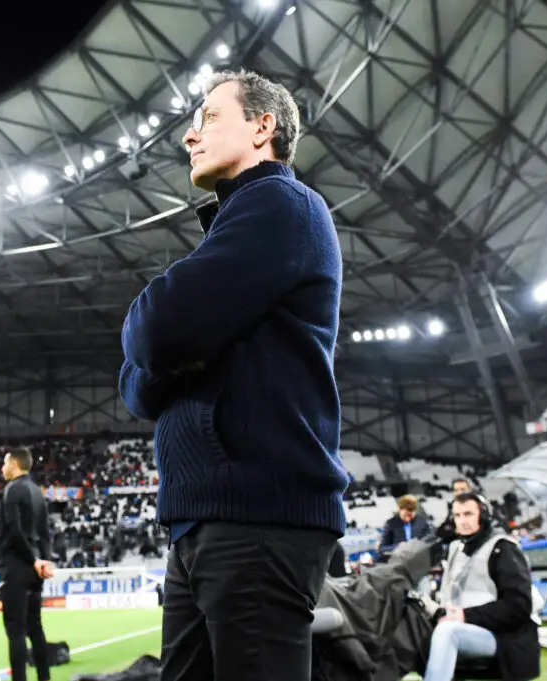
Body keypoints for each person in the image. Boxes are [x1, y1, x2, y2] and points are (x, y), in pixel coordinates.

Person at [119, 68, 348, 681]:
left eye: (210, 117)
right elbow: (136, 387)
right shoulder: (238, 227)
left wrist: (169, 345)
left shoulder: (281, 205)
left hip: (257, 517)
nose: (189, 137)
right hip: (206, 517)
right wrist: (172, 349)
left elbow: (152, 331)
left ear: (263, 127)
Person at [424, 492, 540, 681]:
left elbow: (519, 605)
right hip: (467, 628)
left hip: (504, 637)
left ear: (483, 516)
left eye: (468, 514)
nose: (462, 521)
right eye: (458, 515)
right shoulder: (455, 548)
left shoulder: (504, 548)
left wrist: (465, 615)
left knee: (447, 632)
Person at [0, 446, 55, 681]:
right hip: (36, 569)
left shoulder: (13, 490)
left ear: (14, 464)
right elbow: (45, 532)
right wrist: (44, 561)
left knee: (16, 631)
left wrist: (33, 560)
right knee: (35, 628)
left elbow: (15, 530)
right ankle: (44, 678)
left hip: (19, 565)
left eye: (4, 463)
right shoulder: (37, 491)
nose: (2, 468)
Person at [435, 478, 473, 544]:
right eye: (456, 490)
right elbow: (448, 522)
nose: (459, 492)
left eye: (462, 489)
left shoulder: (475, 504)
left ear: (469, 490)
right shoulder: (454, 505)